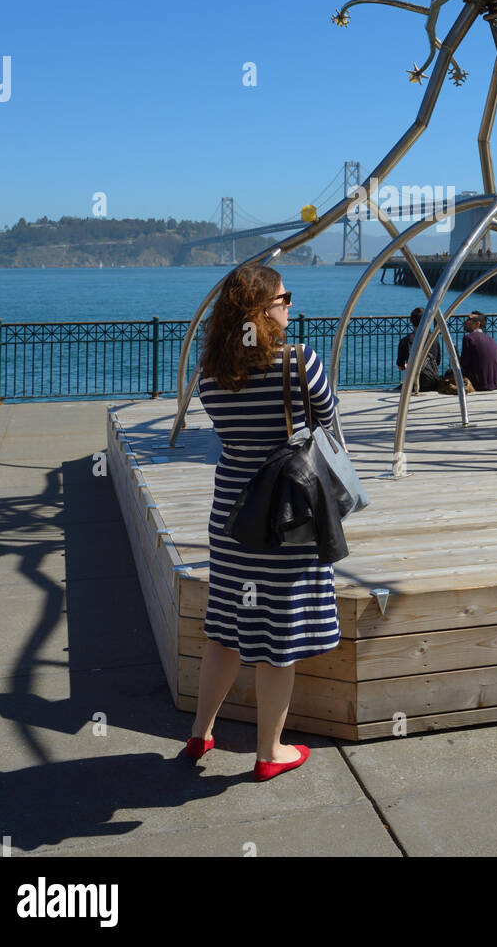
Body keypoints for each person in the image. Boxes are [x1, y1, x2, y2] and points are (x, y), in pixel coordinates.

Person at [185, 264, 339, 781]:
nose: (289, 305)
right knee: (280, 638)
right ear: (262, 308)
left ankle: (200, 732)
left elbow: (226, 428)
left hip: (232, 513)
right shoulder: (298, 361)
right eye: (283, 297)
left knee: (225, 628)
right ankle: (269, 751)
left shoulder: (211, 370)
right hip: (286, 516)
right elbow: (329, 418)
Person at [396, 306, 441, 391]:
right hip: (433, 382)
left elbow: (400, 366)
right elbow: (437, 362)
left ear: (410, 321)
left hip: (414, 383)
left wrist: (408, 365)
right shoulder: (434, 339)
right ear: (427, 321)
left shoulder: (406, 340)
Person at [460, 310, 497, 391]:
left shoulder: (469, 338)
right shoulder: (491, 339)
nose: (465, 321)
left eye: (469, 319)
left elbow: (463, 364)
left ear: (477, 324)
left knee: (449, 374)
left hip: (478, 384)